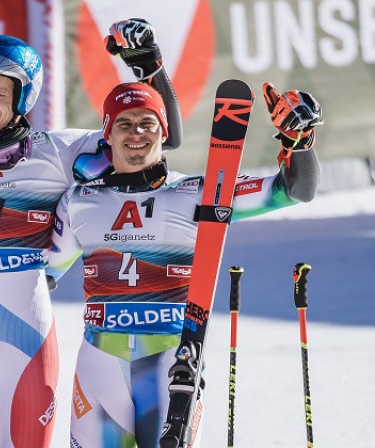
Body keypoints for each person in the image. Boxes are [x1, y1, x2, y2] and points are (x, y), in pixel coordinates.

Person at [0, 21, 181, 448]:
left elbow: (159, 136)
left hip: (27, 332)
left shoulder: (58, 151)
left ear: (23, 97)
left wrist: (147, 68)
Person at [46, 77, 322, 446]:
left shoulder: (199, 192)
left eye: (148, 123)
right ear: (107, 135)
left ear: (164, 132)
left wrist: (298, 141)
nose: (137, 133)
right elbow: (42, 273)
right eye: (124, 124)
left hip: (171, 360)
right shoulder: (78, 200)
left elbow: (294, 189)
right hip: (100, 361)